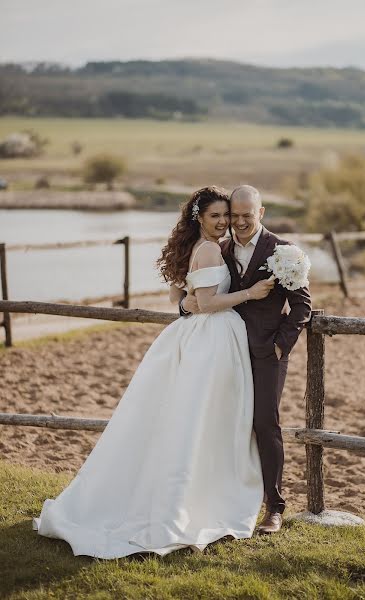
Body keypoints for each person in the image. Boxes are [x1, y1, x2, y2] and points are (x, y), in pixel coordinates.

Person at [32, 186, 274, 559]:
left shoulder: (202, 246)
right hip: (211, 341)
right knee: (206, 418)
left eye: (227, 215)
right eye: (216, 216)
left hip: (200, 337)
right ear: (200, 218)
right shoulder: (209, 248)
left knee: (191, 417)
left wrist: (187, 304)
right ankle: (196, 500)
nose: (225, 222)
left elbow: (182, 297)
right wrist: (250, 294)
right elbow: (206, 303)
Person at [181, 185, 312, 533]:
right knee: (225, 422)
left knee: (265, 425)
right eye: (232, 215)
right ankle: (223, 498)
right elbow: (194, 293)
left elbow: (303, 306)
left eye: (245, 216)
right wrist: (183, 305)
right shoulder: (218, 249)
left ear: (261, 213)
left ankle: (274, 508)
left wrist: (280, 346)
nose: (237, 222)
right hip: (225, 352)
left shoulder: (284, 252)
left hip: (266, 354)